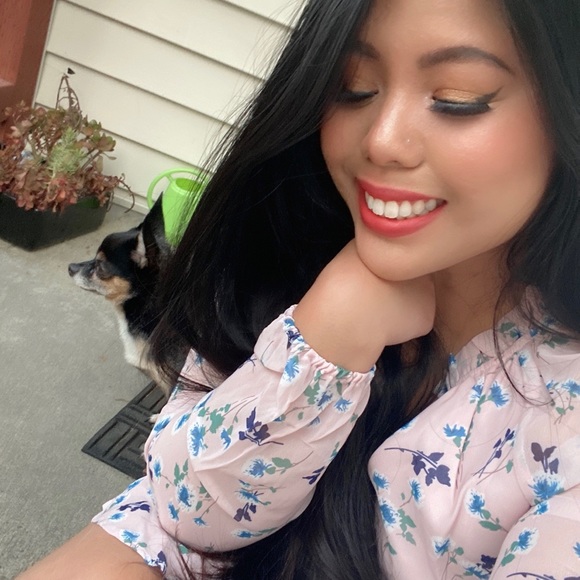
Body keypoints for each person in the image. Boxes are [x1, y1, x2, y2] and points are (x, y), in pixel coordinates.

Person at [20, 0, 580, 578]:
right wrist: (327, 339)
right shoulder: (281, 260)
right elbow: (181, 512)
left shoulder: (561, 425)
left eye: (459, 98)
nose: (382, 140)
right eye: (353, 89)